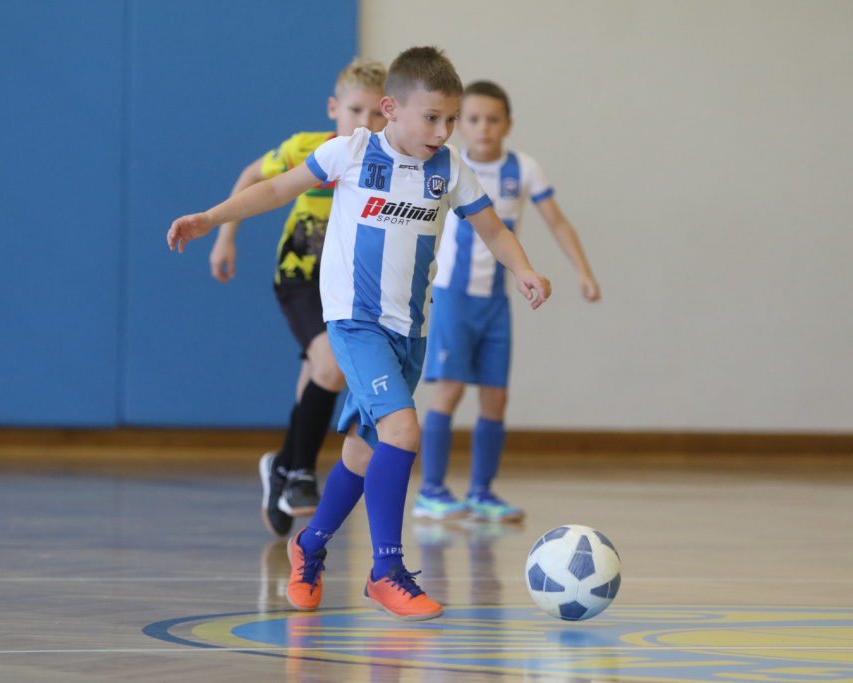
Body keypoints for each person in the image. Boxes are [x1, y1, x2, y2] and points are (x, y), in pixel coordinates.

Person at [167, 46, 551, 622]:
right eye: (432, 118)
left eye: (451, 119)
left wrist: (523, 269)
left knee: (364, 452)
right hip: (355, 323)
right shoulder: (350, 151)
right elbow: (276, 188)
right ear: (391, 110)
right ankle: (386, 571)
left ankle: (309, 546)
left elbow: (492, 229)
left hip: (410, 331)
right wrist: (213, 219)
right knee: (403, 430)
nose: (443, 131)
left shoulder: (450, 168)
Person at [208, 60, 387, 537]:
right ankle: (302, 472)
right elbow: (253, 177)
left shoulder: (390, 162)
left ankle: (283, 467)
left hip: (350, 285)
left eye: (376, 113)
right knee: (330, 367)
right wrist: (225, 237)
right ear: (333, 108)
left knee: (317, 377)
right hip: (302, 277)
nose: (364, 123)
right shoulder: (307, 149)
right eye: (355, 110)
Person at [414, 81, 600, 524]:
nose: (483, 128)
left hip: (496, 302)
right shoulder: (448, 165)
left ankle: (482, 491)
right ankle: (430, 491)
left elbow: (557, 222)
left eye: (493, 119)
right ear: (460, 125)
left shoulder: (523, 168)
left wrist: (583, 270)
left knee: (496, 397)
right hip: (453, 298)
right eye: (473, 119)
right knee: (450, 389)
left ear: (508, 125)